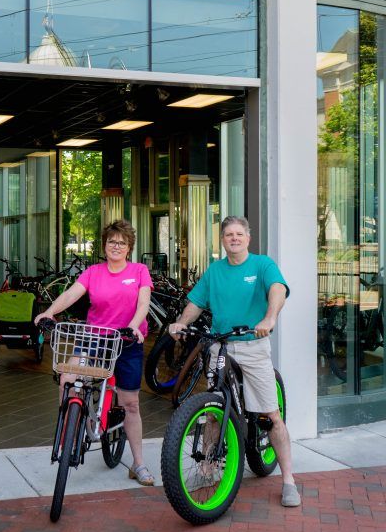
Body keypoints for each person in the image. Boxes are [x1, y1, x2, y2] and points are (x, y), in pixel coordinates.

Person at [169, 215, 301, 508]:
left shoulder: (261, 265)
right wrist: (180, 323)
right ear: (223, 239)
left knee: (271, 416)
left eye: (239, 234)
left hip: (253, 346)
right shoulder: (215, 271)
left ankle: (289, 479)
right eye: (229, 234)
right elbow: (195, 304)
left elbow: (277, 289)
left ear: (248, 238)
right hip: (220, 346)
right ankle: (207, 469)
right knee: (214, 410)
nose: (234, 238)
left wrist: (270, 317)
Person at [36, 219, 155, 486]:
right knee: (68, 377)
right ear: (104, 245)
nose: (116, 246)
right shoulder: (93, 272)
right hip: (94, 339)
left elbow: (144, 303)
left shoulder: (138, 271)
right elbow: (71, 295)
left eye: (121, 242)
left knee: (130, 405)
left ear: (129, 248)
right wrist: (49, 312)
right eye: (112, 241)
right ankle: (70, 427)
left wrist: (133, 326)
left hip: (126, 340)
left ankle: (138, 464)